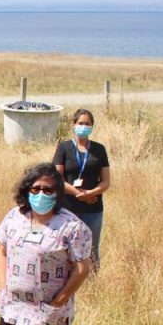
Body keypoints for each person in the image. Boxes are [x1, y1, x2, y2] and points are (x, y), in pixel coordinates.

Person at [0, 163, 92, 325]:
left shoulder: (72, 226)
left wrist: (59, 301)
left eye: (48, 190)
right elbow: (3, 251)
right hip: (14, 303)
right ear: (26, 190)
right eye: (35, 188)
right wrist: (3, 287)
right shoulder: (15, 216)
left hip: (49, 308)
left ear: (58, 193)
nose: (41, 194)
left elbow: (83, 267)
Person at [52, 108, 111, 268]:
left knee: (91, 249)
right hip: (68, 208)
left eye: (87, 124)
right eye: (81, 123)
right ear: (73, 124)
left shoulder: (99, 149)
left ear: (92, 126)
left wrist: (91, 193)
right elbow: (57, 179)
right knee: (66, 248)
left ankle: (92, 286)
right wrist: (79, 193)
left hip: (93, 208)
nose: (84, 126)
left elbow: (105, 181)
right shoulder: (63, 148)